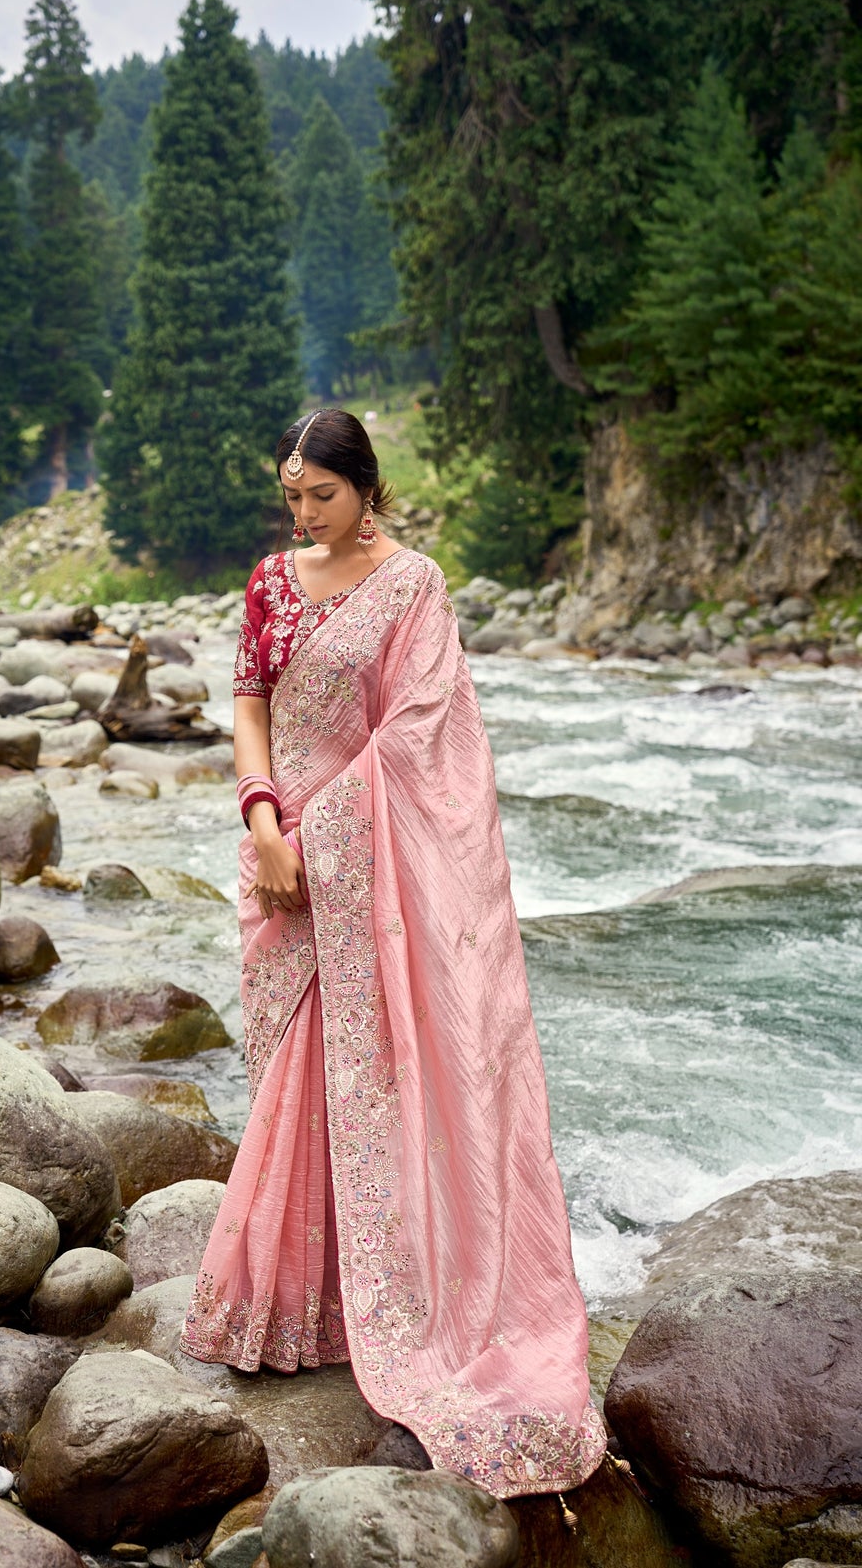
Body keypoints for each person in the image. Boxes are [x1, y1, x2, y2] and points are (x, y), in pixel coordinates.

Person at [180, 408, 605, 1500]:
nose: (305, 513)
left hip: (370, 866)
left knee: (381, 1073)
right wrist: (267, 824)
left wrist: (324, 840)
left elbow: (427, 738)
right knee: (294, 1074)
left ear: (368, 488)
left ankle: (406, 1302)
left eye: (322, 494)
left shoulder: (414, 587)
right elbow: (249, 706)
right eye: (292, 495)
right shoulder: (274, 583)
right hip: (286, 853)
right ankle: (295, 1301)